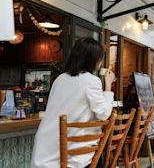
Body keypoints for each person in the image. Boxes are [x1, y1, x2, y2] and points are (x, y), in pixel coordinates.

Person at [31, 37, 116, 168]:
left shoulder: (60, 79)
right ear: (92, 59)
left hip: (46, 150)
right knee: (98, 157)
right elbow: (104, 114)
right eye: (99, 58)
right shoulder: (91, 81)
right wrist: (108, 86)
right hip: (73, 153)